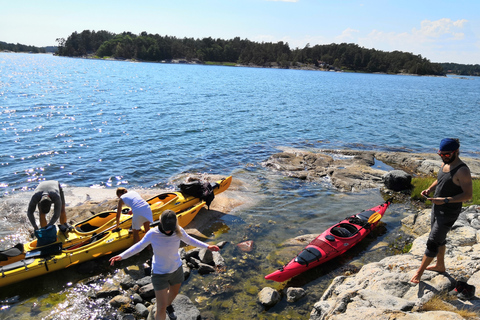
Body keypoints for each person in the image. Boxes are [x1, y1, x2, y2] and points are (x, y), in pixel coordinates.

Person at [110, 210, 220, 320]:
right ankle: (164, 306)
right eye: (166, 227)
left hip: (176, 269)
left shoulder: (178, 231)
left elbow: (190, 240)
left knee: (173, 293)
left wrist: (207, 246)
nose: (168, 231)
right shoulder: (152, 233)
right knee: (160, 308)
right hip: (159, 273)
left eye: (170, 227)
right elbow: (139, 246)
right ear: (160, 222)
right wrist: (122, 256)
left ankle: (168, 305)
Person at [410, 138, 472, 284]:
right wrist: (430, 189)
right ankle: (440, 265)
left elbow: (468, 195)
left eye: (447, 154)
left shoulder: (462, 170)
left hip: (449, 212)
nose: (443, 157)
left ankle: (419, 273)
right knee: (440, 239)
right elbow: (441, 179)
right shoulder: (446, 163)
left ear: (456, 152)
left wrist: (445, 200)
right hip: (436, 207)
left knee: (433, 241)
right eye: (440, 154)